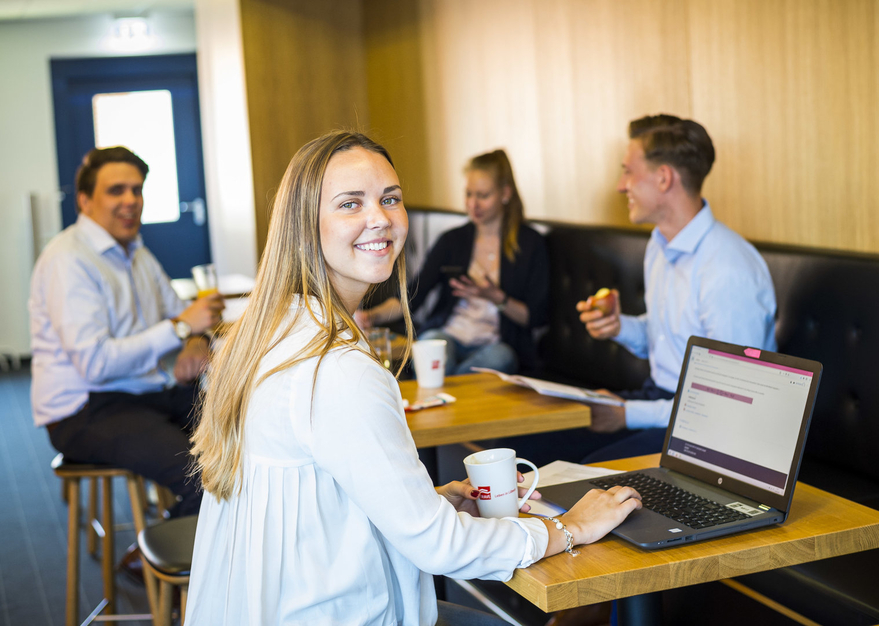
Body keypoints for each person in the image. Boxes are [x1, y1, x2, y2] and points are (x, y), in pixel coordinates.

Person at [185, 132, 642, 625]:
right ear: (304, 226)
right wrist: (571, 528)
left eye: (390, 198)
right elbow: (440, 547)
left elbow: (322, 501)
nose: (380, 217)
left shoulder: (272, 333)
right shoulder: (336, 369)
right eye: (350, 203)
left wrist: (433, 502)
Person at [505, 115, 777, 470]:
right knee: (524, 448)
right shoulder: (659, 244)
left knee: (589, 472)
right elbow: (670, 335)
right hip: (663, 400)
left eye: (628, 172)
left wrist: (627, 413)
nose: (621, 186)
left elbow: (730, 403)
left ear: (664, 178)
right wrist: (620, 327)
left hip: (715, 430)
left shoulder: (728, 269)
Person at [29, 146, 225, 518]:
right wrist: (183, 328)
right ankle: (150, 551)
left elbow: (182, 316)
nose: (131, 200)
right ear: (85, 201)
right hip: (85, 410)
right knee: (205, 480)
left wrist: (196, 341)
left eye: (137, 190)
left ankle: (178, 537)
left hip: (144, 393)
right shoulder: (68, 259)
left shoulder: (137, 252)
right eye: (116, 190)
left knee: (247, 441)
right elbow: (95, 364)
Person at [358, 149, 548, 375]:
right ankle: (456, 385)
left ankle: (448, 387)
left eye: (483, 195)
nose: (473, 204)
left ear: (505, 194)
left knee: (501, 358)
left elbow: (536, 317)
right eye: (469, 194)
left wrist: (495, 297)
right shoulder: (452, 241)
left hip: (495, 345)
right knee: (430, 343)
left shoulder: (530, 244)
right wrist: (371, 316)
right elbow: (413, 296)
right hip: (448, 334)